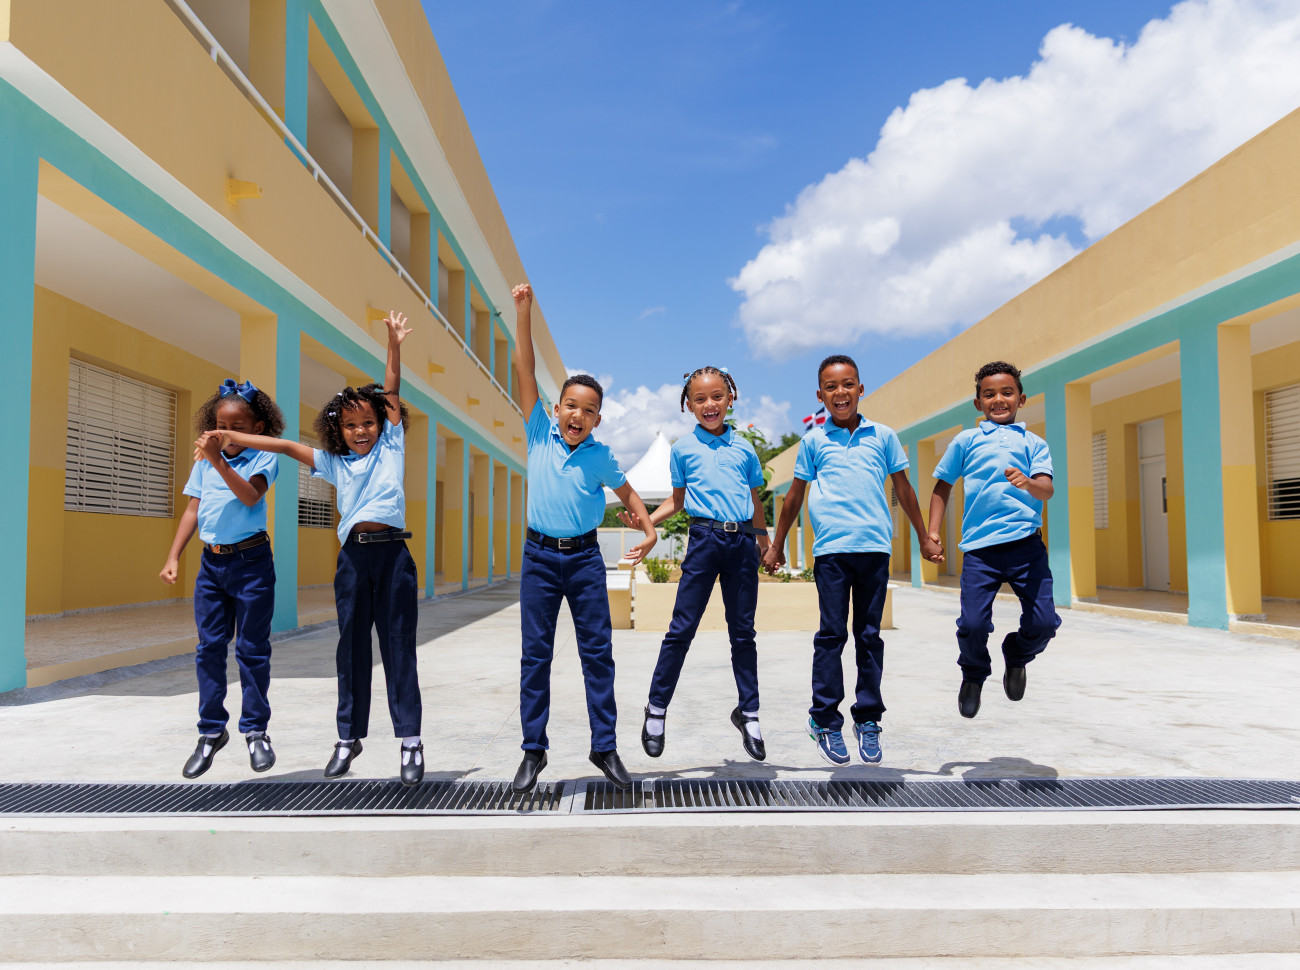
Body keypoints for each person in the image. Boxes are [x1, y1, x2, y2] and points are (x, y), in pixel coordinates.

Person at [210, 312, 426, 784]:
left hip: (394, 558)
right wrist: (231, 437)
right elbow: (287, 447)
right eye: (350, 425)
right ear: (338, 431)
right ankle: (348, 739)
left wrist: (394, 345)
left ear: (382, 423)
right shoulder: (333, 463)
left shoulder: (391, 447)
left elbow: (391, 389)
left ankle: (410, 741)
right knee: (351, 650)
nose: (361, 431)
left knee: (398, 650)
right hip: (353, 560)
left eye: (368, 422)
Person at [509, 283, 657, 794]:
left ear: (597, 419)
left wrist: (649, 528)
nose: (577, 415)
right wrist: (523, 314)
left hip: (585, 561)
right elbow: (525, 367)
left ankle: (604, 747)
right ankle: (533, 750)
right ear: (556, 409)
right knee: (536, 656)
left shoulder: (600, 456)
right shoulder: (538, 431)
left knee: (597, 654)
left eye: (588, 410)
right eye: (570, 406)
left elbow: (628, 492)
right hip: (539, 559)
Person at [764, 354, 940, 766]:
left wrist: (923, 536)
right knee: (831, 635)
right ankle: (825, 719)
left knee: (869, 636)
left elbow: (904, 489)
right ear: (820, 394)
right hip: (831, 552)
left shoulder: (884, 436)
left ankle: (868, 718)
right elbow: (794, 496)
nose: (840, 393)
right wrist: (776, 544)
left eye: (847, 385)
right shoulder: (813, 441)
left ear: (860, 389)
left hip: (874, 549)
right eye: (831, 387)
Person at [623, 365, 772, 762]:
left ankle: (749, 714)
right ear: (688, 405)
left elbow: (755, 501)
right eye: (700, 398)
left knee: (743, 633)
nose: (710, 404)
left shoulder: (745, 448)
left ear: (730, 398)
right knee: (681, 630)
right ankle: (656, 709)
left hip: (742, 542)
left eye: (717, 396)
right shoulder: (683, 449)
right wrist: (647, 522)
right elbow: (678, 500)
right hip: (704, 541)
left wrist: (765, 543)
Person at [161, 379, 285, 779]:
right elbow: (192, 510)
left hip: (252, 564)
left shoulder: (264, 456)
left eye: (237, 427)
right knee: (209, 649)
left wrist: (218, 460)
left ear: (257, 428)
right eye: (220, 425)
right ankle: (211, 731)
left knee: (252, 650)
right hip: (212, 566)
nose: (225, 433)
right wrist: (173, 556)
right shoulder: (204, 462)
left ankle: (256, 731)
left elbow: (250, 496)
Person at [927, 360, 1060, 718]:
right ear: (978, 403)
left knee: (1044, 623)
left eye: (1007, 392)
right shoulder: (966, 440)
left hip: (1026, 547)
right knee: (972, 625)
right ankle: (973, 674)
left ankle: (1016, 655)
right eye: (989, 394)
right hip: (980, 551)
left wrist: (1028, 483)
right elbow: (942, 485)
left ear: (1021, 399)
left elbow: (1046, 489)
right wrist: (933, 532)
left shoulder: (1035, 444)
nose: (998, 399)